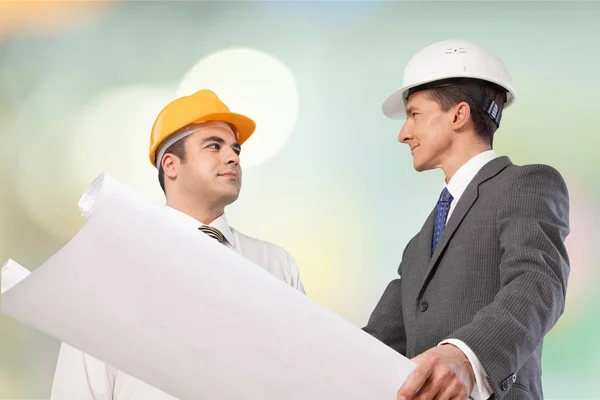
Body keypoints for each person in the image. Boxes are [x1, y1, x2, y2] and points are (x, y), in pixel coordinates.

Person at [49, 89, 305, 399]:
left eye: (236, 149)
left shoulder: (275, 264)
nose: (233, 157)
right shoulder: (114, 267)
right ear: (170, 165)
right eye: (214, 146)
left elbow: (305, 376)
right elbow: (80, 387)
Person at [363, 39, 570, 400]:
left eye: (414, 115)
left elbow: (538, 282)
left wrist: (466, 355)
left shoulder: (526, 184)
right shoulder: (420, 244)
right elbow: (377, 343)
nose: (403, 134)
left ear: (458, 115)